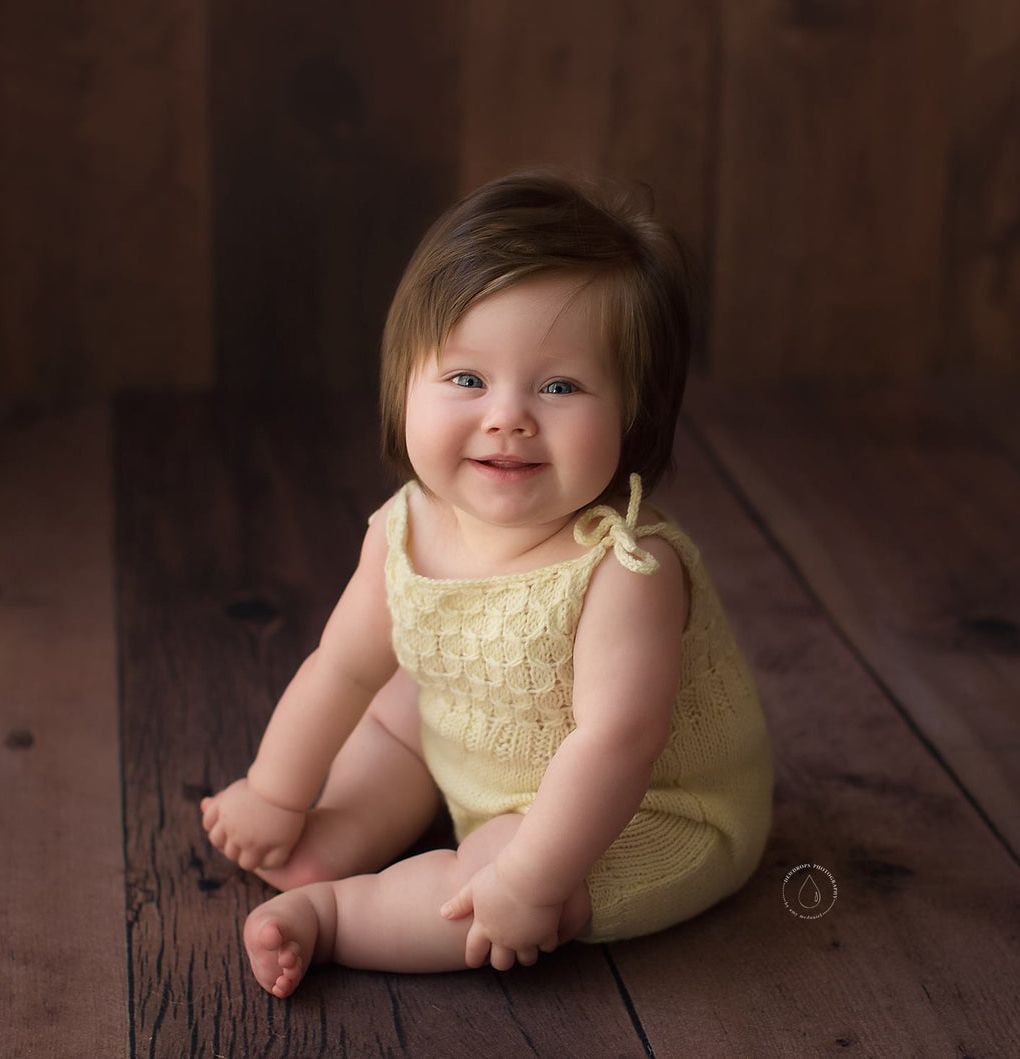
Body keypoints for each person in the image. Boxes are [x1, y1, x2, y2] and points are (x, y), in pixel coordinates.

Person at [200, 171, 773, 998]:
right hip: (476, 746)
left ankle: (335, 915)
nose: (508, 416)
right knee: (395, 705)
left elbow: (616, 743)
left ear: (634, 412)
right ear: (404, 386)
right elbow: (341, 665)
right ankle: (335, 832)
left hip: (639, 810)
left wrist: (532, 877)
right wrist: (273, 787)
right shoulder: (403, 526)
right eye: (467, 379)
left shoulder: (625, 568)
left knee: (497, 872)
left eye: (560, 386)